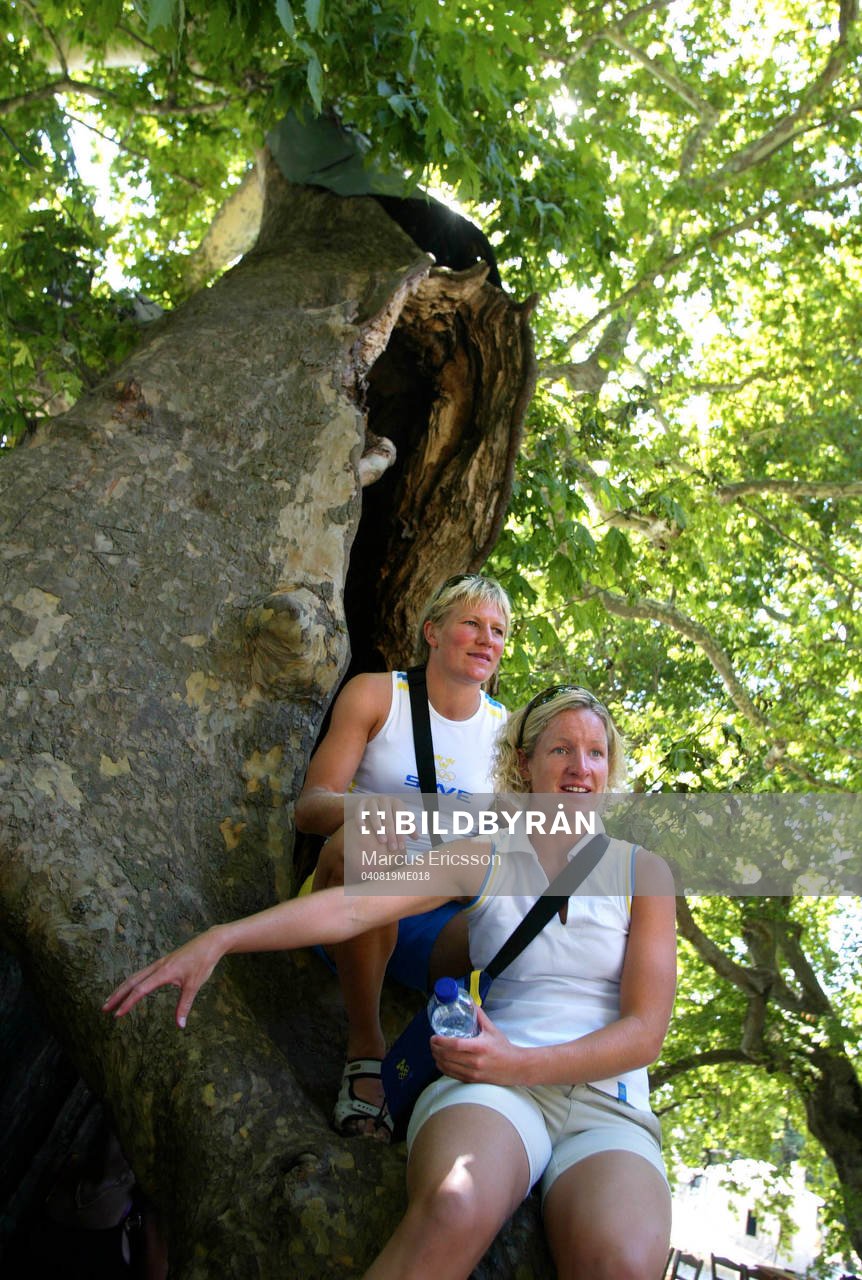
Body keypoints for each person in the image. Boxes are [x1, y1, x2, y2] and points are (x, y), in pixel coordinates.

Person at [104, 685, 677, 1280]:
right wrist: (221, 938)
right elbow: (354, 908)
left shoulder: (643, 872)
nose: (580, 767)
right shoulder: (485, 855)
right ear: (524, 762)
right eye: (561, 749)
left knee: (623, 1265)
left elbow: (644, 1033)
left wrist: (519, 1063)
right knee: (456, 1203)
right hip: (494, 1089)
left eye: (595, 752)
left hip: (608, 1106)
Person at [294, 573, 510, 1137]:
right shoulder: (376, 694)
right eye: (472, 623)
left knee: (512, 922)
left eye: (499, 631)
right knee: (364, 842)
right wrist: (366, 812)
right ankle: (366, 1051)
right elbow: (310, 808)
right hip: (346, 898)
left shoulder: (507, 736)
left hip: (434, 918)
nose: (487, 638)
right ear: (433, 631)